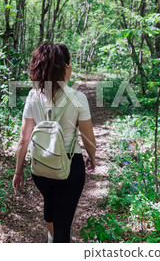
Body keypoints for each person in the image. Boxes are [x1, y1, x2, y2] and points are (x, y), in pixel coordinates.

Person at [12, 42, 97, 243]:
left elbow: (24, 139)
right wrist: (92, 158)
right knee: (63, 227)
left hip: (40, 165)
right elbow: (88, 139)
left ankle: (51, 238)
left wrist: (18, 171)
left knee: (50, 203)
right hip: (70, 166)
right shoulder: (78, 98)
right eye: (69, 65)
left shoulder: (33, 96)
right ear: (65, 67)